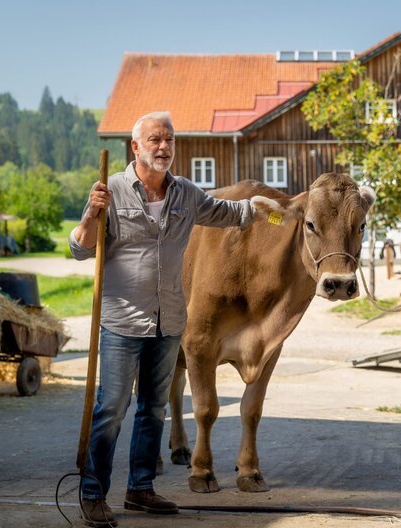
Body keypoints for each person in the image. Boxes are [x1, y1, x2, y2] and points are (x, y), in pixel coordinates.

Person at [69, 112, 258, 527]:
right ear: (135, 147)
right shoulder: (111, 190)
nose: (163, 147)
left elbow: (229, 212)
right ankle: (92, 492)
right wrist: (89, 216)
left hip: (169, 321)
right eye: (154, 139)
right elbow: (80, 249)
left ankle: (140, 489)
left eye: (169, 139)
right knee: (112, 409)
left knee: (154, 409)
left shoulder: (186, 193)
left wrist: (272, 208)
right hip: (121, 322)